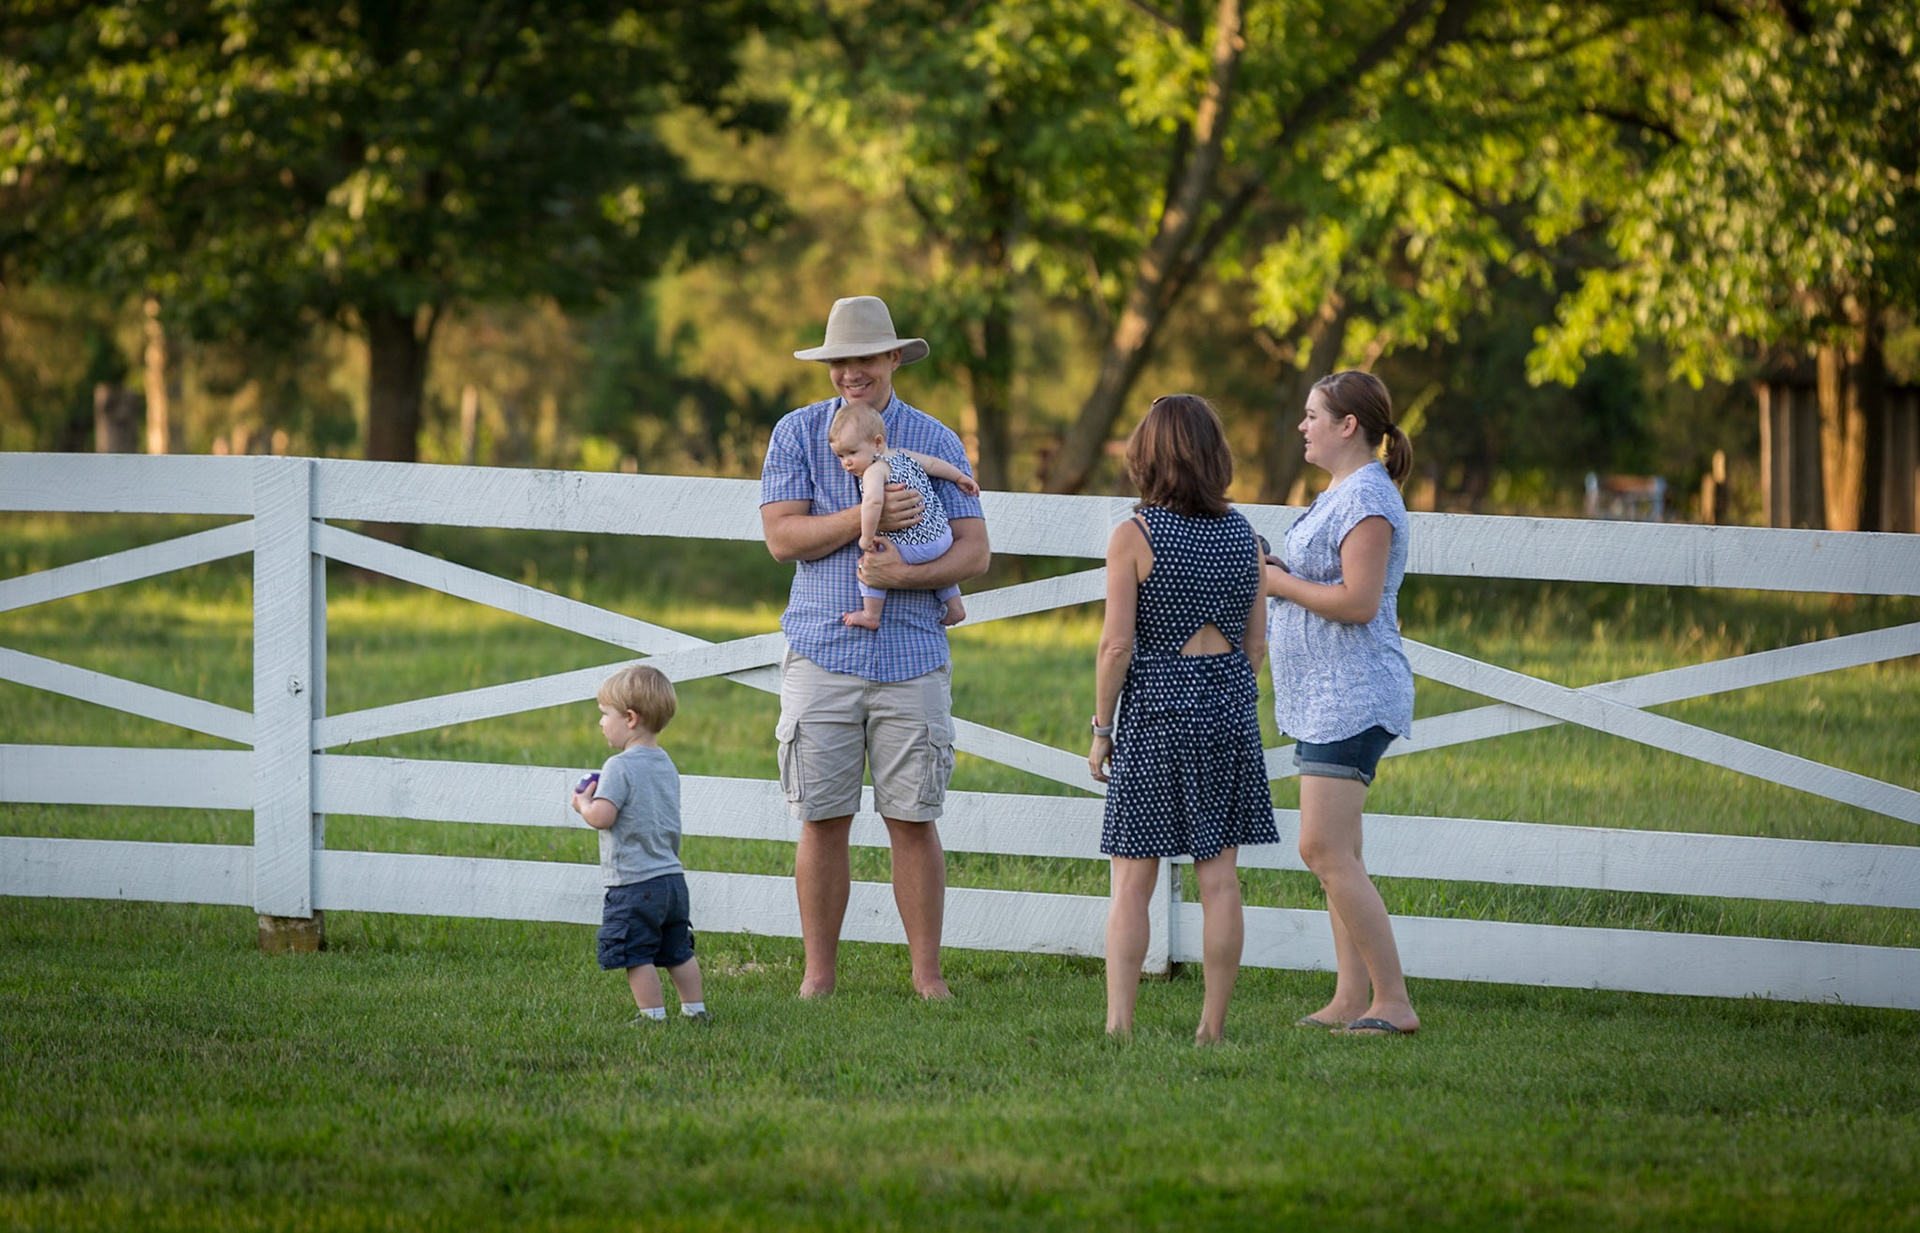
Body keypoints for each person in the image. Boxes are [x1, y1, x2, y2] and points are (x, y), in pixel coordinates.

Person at [760, 295, 990, 999]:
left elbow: (975, 551)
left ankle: (928, 978)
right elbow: (781, 538)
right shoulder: (798, 434)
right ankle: (817, 978)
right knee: (822, 817)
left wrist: (906, 573)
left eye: (863, 358)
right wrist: (864, 514)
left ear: (893, 358)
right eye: (839, 361)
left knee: (913, 819)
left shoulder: (937, 440)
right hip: (823, 647)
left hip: (913, 653)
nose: (850, 373)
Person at [1089, 394, 1276, 1044]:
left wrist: (1100, 728)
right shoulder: (1245, 538)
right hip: (1228, 706)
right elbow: (1256, 646)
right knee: (1219, 877)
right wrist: (1223, 692)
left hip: (1156, 709)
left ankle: (1119, 1025)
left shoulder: (1134, 536)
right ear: (1213, 458)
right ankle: (1212, 1027)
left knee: (1134, 877)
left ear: (1148, 457)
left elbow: (1116, 647)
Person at [1265, 369, 1419, 1036]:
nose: (1303, 425)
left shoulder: (1369, 501)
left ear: (1347, 425)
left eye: (1312, 415)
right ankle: (1350, 998)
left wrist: (1278, 585)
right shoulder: (1343, 493)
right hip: (1324, 695)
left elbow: (1358, 601)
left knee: (1321, 847)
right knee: (1340, 854)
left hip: (1351, 696)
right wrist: (1283, 573)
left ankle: (1394, 1000)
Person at [570, 664, 708, 1024]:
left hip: (634, 882)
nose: (601, 723)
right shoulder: (666, 763)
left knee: (636, 954)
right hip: (672, 881)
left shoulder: (618, 766)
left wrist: (583, 803)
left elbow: (603, 817)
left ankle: (652, 1017)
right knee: (677, 951)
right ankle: (695, 1012)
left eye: (605, 715)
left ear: (630, 718)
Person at [829, 402, 981, 630]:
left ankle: (871, 615)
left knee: (871, 564)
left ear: (878, 443)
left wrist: (866, 537)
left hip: (913, 547)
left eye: (852, 452)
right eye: (840, 456)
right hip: (941, 537)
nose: (846, 462)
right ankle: (955, 607)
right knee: (934, 560)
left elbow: (873, 502)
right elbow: (933, 464)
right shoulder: (902, 455)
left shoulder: (875, 470)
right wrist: (960, 477)